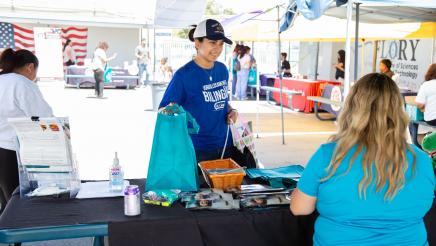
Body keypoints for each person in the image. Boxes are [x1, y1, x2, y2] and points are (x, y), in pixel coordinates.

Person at [290, 73, 435, 245]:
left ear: (351, 108)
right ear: (398, 110)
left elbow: (299, 208)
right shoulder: (422, 160)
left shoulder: (329, 155)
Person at [159, 19, 256, 172]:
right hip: (197, 150)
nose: (217, 49)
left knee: (227, 193)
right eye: (212, 42)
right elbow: (163, 111)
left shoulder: (222, 70)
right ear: (197, 43)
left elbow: (222, 101)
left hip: (225, 144)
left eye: (221, 44)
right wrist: (173, 112)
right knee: (201, 195)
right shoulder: (183, 76)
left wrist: (232, 111)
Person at [0, 49, 54, 213]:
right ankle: (15, 238)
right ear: (30, 67)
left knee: (4, 203)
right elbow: (42, 117)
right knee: (15, 205)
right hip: (10, 151)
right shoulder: (22, 83)